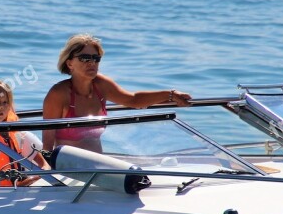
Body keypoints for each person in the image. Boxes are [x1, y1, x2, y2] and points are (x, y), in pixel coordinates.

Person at [42, 34, 192, 153]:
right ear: (69, 63)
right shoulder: (58, 94)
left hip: (98, 170)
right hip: (69, 172)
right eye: (84, 58)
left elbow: (133, 100)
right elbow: (47, 145)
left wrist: (170, 95)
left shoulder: (101, 85)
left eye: (96, 58)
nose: (91, 62)